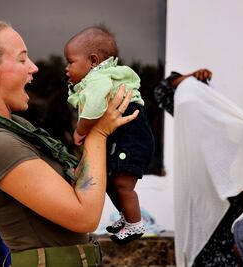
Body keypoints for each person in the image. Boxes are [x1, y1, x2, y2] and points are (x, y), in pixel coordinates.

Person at [0, 15, 138, 267]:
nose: (34, 67)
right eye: (22, 58)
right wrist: (98, 133)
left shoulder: (15, 129)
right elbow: (85, 216)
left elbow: (77, 183)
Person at [64, 25, 155, 244]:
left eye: (70, 61)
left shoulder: (98, 79)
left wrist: (80, 130)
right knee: (109, 183)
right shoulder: (99, 78)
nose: (66, 68)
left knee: (123, 185)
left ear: (93, 61)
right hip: (123, 137)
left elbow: (95, 108)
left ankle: (135, 225)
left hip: (132, 138)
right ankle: (127, 218)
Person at [154, 69, 243, 267]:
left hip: (231, 242)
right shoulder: (192, 138)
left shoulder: (236, 137)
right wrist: (188, 78)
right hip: (203, 240)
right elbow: (161, 92)